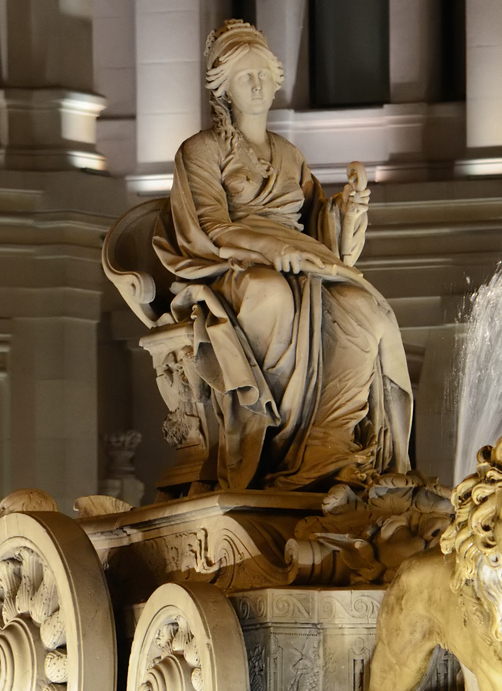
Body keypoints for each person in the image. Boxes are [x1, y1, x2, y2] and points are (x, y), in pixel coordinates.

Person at [153, 19, 413, 491]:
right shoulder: (200, 151)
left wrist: (349, 211)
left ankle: (326, 442)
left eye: (262, 75)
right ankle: (272, 447)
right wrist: (272, 250)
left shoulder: (290, 155)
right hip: (231, 270)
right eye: (243, 77)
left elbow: (322, 231)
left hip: (302, 264)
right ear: (223, 89)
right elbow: (210, 228)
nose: (256, 85)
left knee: (363, 310)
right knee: (271, 296)